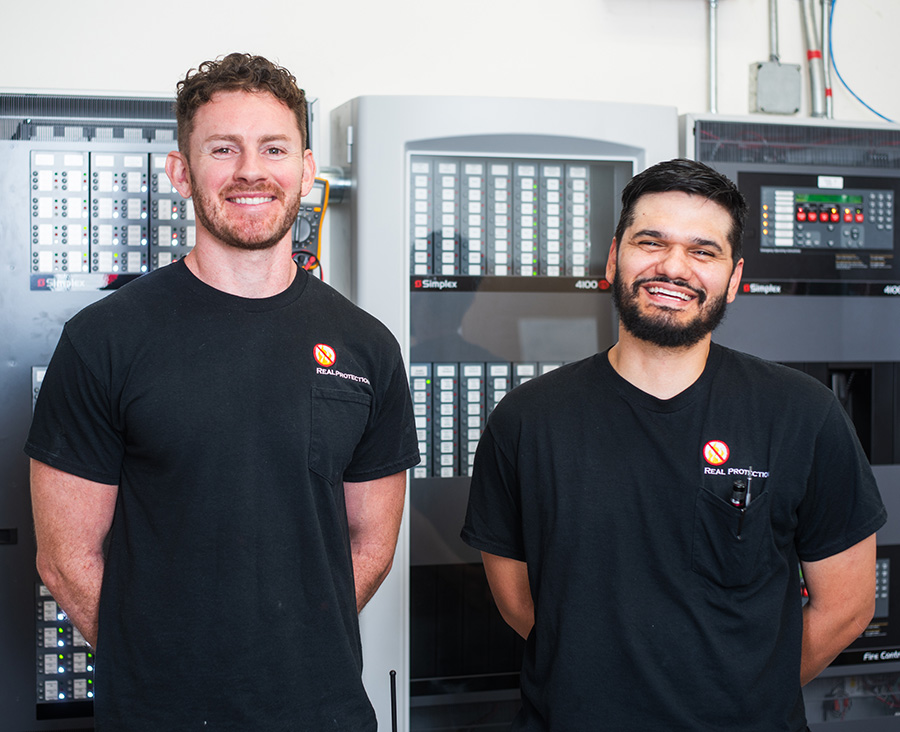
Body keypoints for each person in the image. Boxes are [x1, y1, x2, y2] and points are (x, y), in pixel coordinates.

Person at [27, 53, 419, 731]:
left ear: (304, 166)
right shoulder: (105, 340)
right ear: (181, 171)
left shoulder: (366, 346)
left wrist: (286, 653)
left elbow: (371, 545)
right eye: (223, 149)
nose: (251, 171)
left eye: (274, 148)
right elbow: (66, 560)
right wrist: (165, 668)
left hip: (322, 713)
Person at [461, 158, 886, 731]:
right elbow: (518, 601)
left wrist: (747, 694)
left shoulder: (803, 414)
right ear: (614, 258)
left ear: (734, 278)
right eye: (651, 241)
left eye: (703, 251)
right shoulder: (528, 419)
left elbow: (848, 605)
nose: (673, 267)